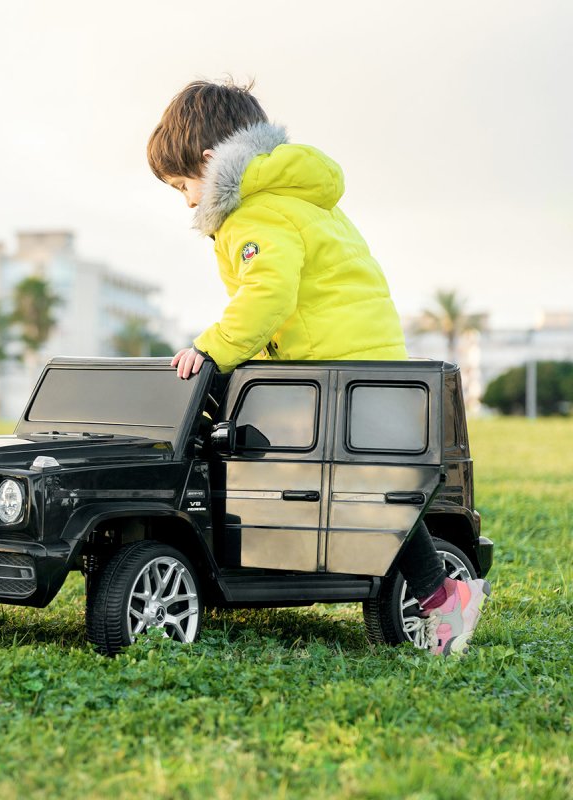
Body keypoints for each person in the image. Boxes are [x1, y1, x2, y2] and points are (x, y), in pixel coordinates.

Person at [147, 78, 490, 656]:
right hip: (365, 357)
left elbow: (270, 297)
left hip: (335, 367)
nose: (185, 201)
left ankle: (442, 600)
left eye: (183, 185)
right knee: (376, 491)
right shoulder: (302, 197)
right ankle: (437, 595)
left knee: (361, 489)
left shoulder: (251, 213)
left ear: (210, 163)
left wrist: (211, 348)